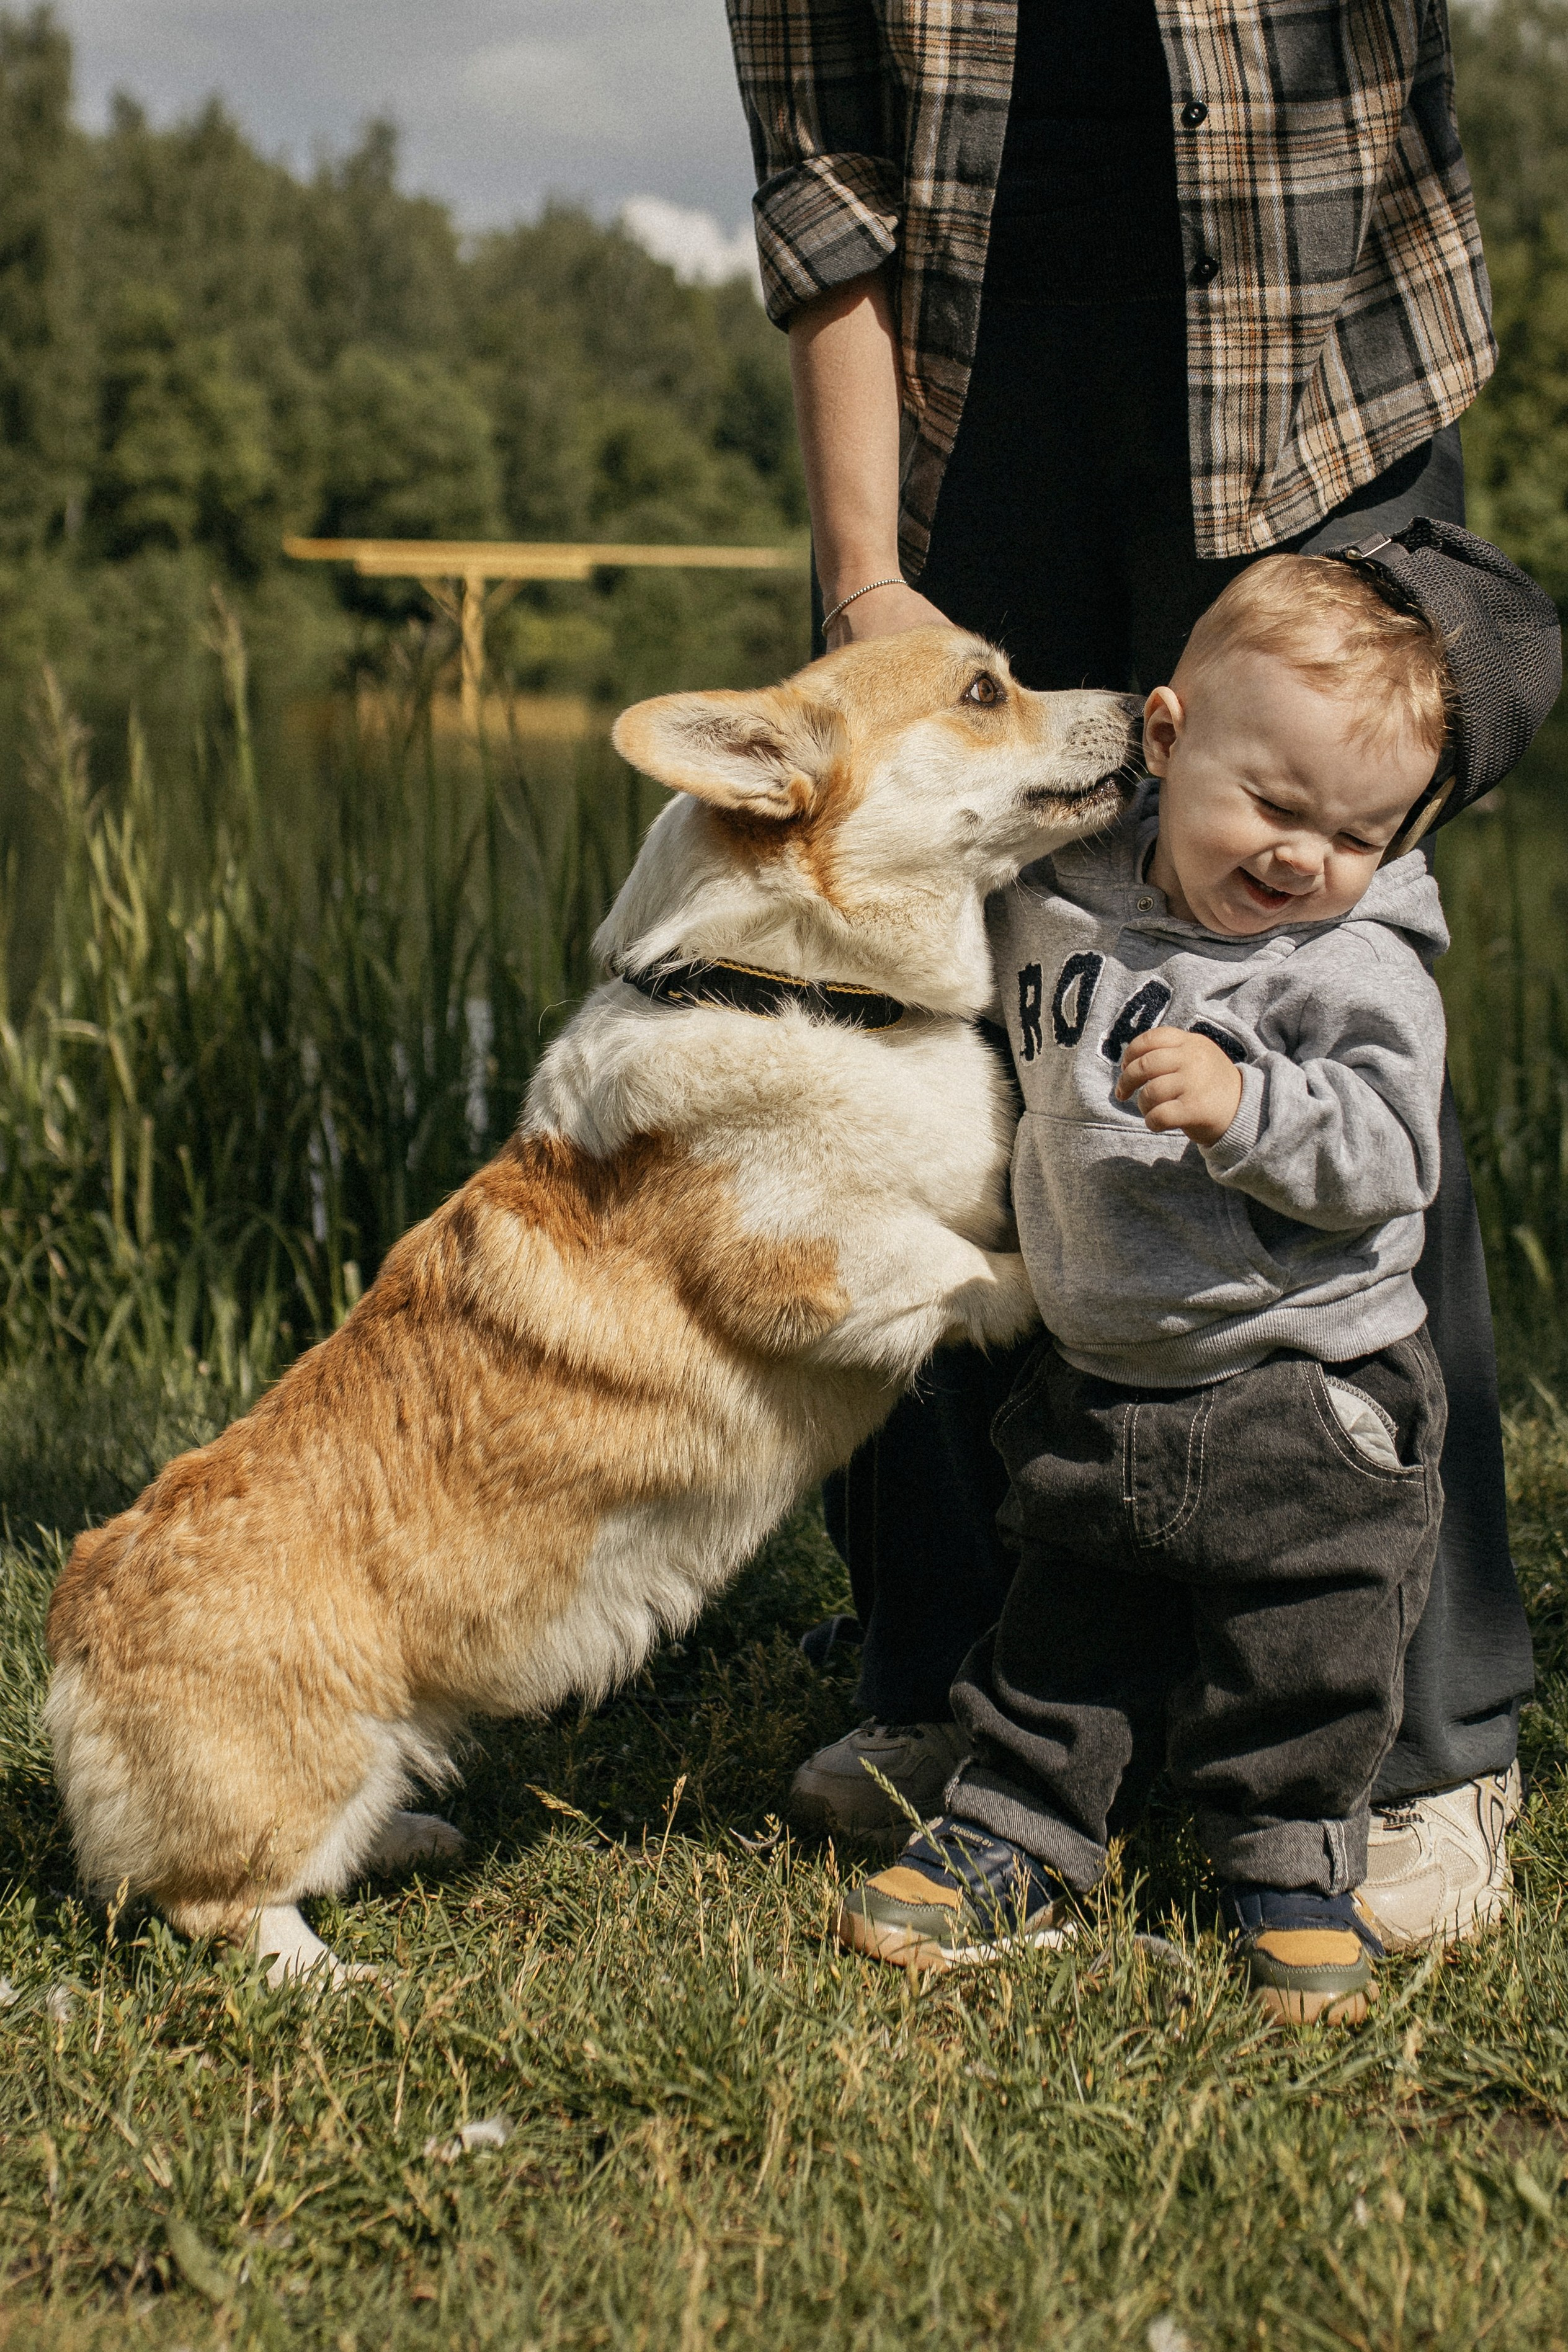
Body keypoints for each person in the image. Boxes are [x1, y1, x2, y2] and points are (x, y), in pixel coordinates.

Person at [725, 0, 1543, 1944]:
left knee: (1333, 982)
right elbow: (823, 185)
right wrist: (867, 590)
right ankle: (962, 1689)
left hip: (1313, 364)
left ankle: (1426, 1744)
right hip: (961, 406)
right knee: (941, 1022)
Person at [835, 524, 1560, 2020]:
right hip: (1101, 1372)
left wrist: (1252, 1108)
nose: (1304, 856)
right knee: (1063, 1627)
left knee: (1302, 1650)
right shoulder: (1061, 888)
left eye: (1358, 836)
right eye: (1273, 804)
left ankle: (1290, 1859)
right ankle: (1019, 1828)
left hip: (1307, 1394)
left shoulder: (1354, 964)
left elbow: (1385, 1158)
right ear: (1164, 739)